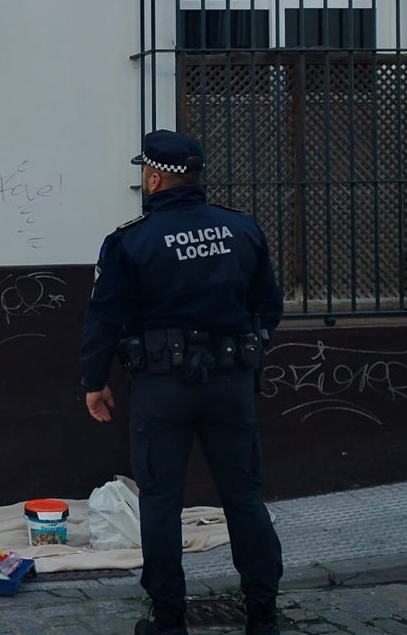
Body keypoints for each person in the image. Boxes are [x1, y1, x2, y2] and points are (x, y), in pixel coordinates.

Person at [78, 130, 284, 635]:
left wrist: (94, 380)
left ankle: (168, 619)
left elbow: (103, 317)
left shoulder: (130, 241)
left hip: (162, 388)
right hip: (231, 383)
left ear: (152, 178)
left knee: (161, 500)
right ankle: (262, 615)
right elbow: (269, 306)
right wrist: (244, 347)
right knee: (243, 496)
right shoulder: (241, 228)